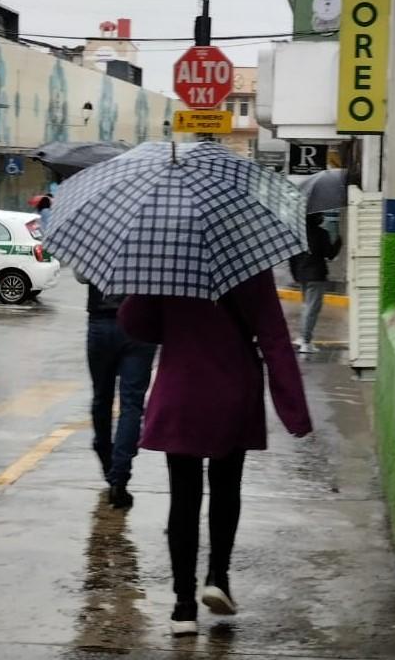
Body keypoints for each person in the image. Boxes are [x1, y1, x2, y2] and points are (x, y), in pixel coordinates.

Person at [118, 269, 312, 636]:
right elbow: (273, 337)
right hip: (233, 390)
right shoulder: (250, 266)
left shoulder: (167, 259)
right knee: (226, 487)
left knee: (184, 497)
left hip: (181, 390)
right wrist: (295, 412)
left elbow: (133, 321)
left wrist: (174, 322)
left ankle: (183, 607)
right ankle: (217, 577)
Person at [82, 276, 156, 509]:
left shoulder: (97, 239)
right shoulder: (153, 241)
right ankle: (120, 476)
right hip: (139, 325)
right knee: (131, 404)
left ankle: (107, 461)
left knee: (101, 397)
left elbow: (80, 275)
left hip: (101, 322)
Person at [289, 212, 342, 354]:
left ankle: (304, 337)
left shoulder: (298, 235)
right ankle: (305, 341)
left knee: (306, 307)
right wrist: (338, 242)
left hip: (302, 276)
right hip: (316, 276)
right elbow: (330, 254)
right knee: (312, 309)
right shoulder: (321, 233)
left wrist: (295, 274)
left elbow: (292, 257)